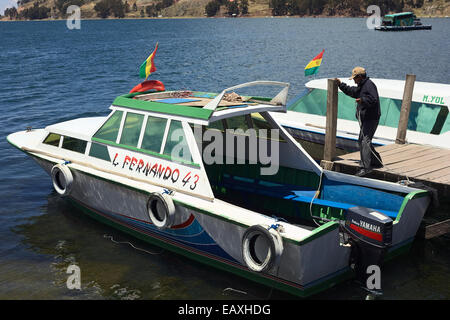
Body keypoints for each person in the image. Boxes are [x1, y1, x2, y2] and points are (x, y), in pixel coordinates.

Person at [335, 67, 383, 177]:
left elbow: (373, 99)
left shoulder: (369, 85)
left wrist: (362, 100)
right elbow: (353, 91)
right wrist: (340, 84)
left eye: (355, 79)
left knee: (364, 141)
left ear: (360, 77)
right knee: (363, 140)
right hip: (366, 118)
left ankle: (365, 168)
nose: (354, 81)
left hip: (371, 118)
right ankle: (376, 161)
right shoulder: (362, 86)